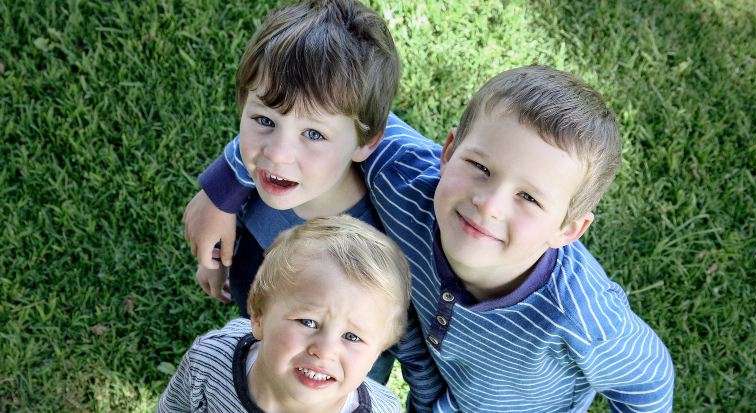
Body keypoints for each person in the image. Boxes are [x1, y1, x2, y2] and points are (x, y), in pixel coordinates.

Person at [187, 65, 675, 411]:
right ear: (448, 150)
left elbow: (649, 382)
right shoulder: (405, 173)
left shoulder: (582, 314)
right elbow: (324, 111)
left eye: (529, 198)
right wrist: (222, 191)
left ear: (569, 229)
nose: (489, 203)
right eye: (480, 166)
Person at [184, 0, 402, 385]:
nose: (277, 154)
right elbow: (232, 219)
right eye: (264, 120)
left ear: (366, 142)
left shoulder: (377, 240)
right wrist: (216, 259)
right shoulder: (263, 179)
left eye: (314, 134)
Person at [158, 216, 411, 413]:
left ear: (378, 352)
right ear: (259, 317)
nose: (325, 351)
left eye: (352, 337)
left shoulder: (382, 409)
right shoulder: (209, 361)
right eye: (308, 322)